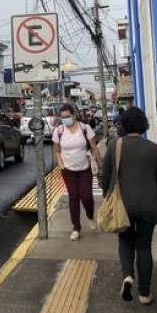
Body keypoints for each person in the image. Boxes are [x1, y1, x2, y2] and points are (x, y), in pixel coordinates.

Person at [101, 107, 157, 306]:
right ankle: (144, 294)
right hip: (149, 205)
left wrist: (107, 195)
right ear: (143, 125)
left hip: (123, 205)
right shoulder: (154, 149)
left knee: (125, 240)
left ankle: (128, 276)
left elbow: (105, 176)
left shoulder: (115, 146)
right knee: (143, 246)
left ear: (123, 124)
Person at [53, 103, 103, 241]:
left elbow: (94, 148)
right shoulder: (59, 131)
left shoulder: (85, 128)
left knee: (87, 196)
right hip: (68, 170)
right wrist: (61, 164)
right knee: (73, 197)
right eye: (63, 117)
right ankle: (76, 228)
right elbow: (57, 151)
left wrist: (100, 166)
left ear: (74, 115)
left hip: (84, 168)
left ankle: (90, 216)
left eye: (67, 116)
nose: (65, 119)